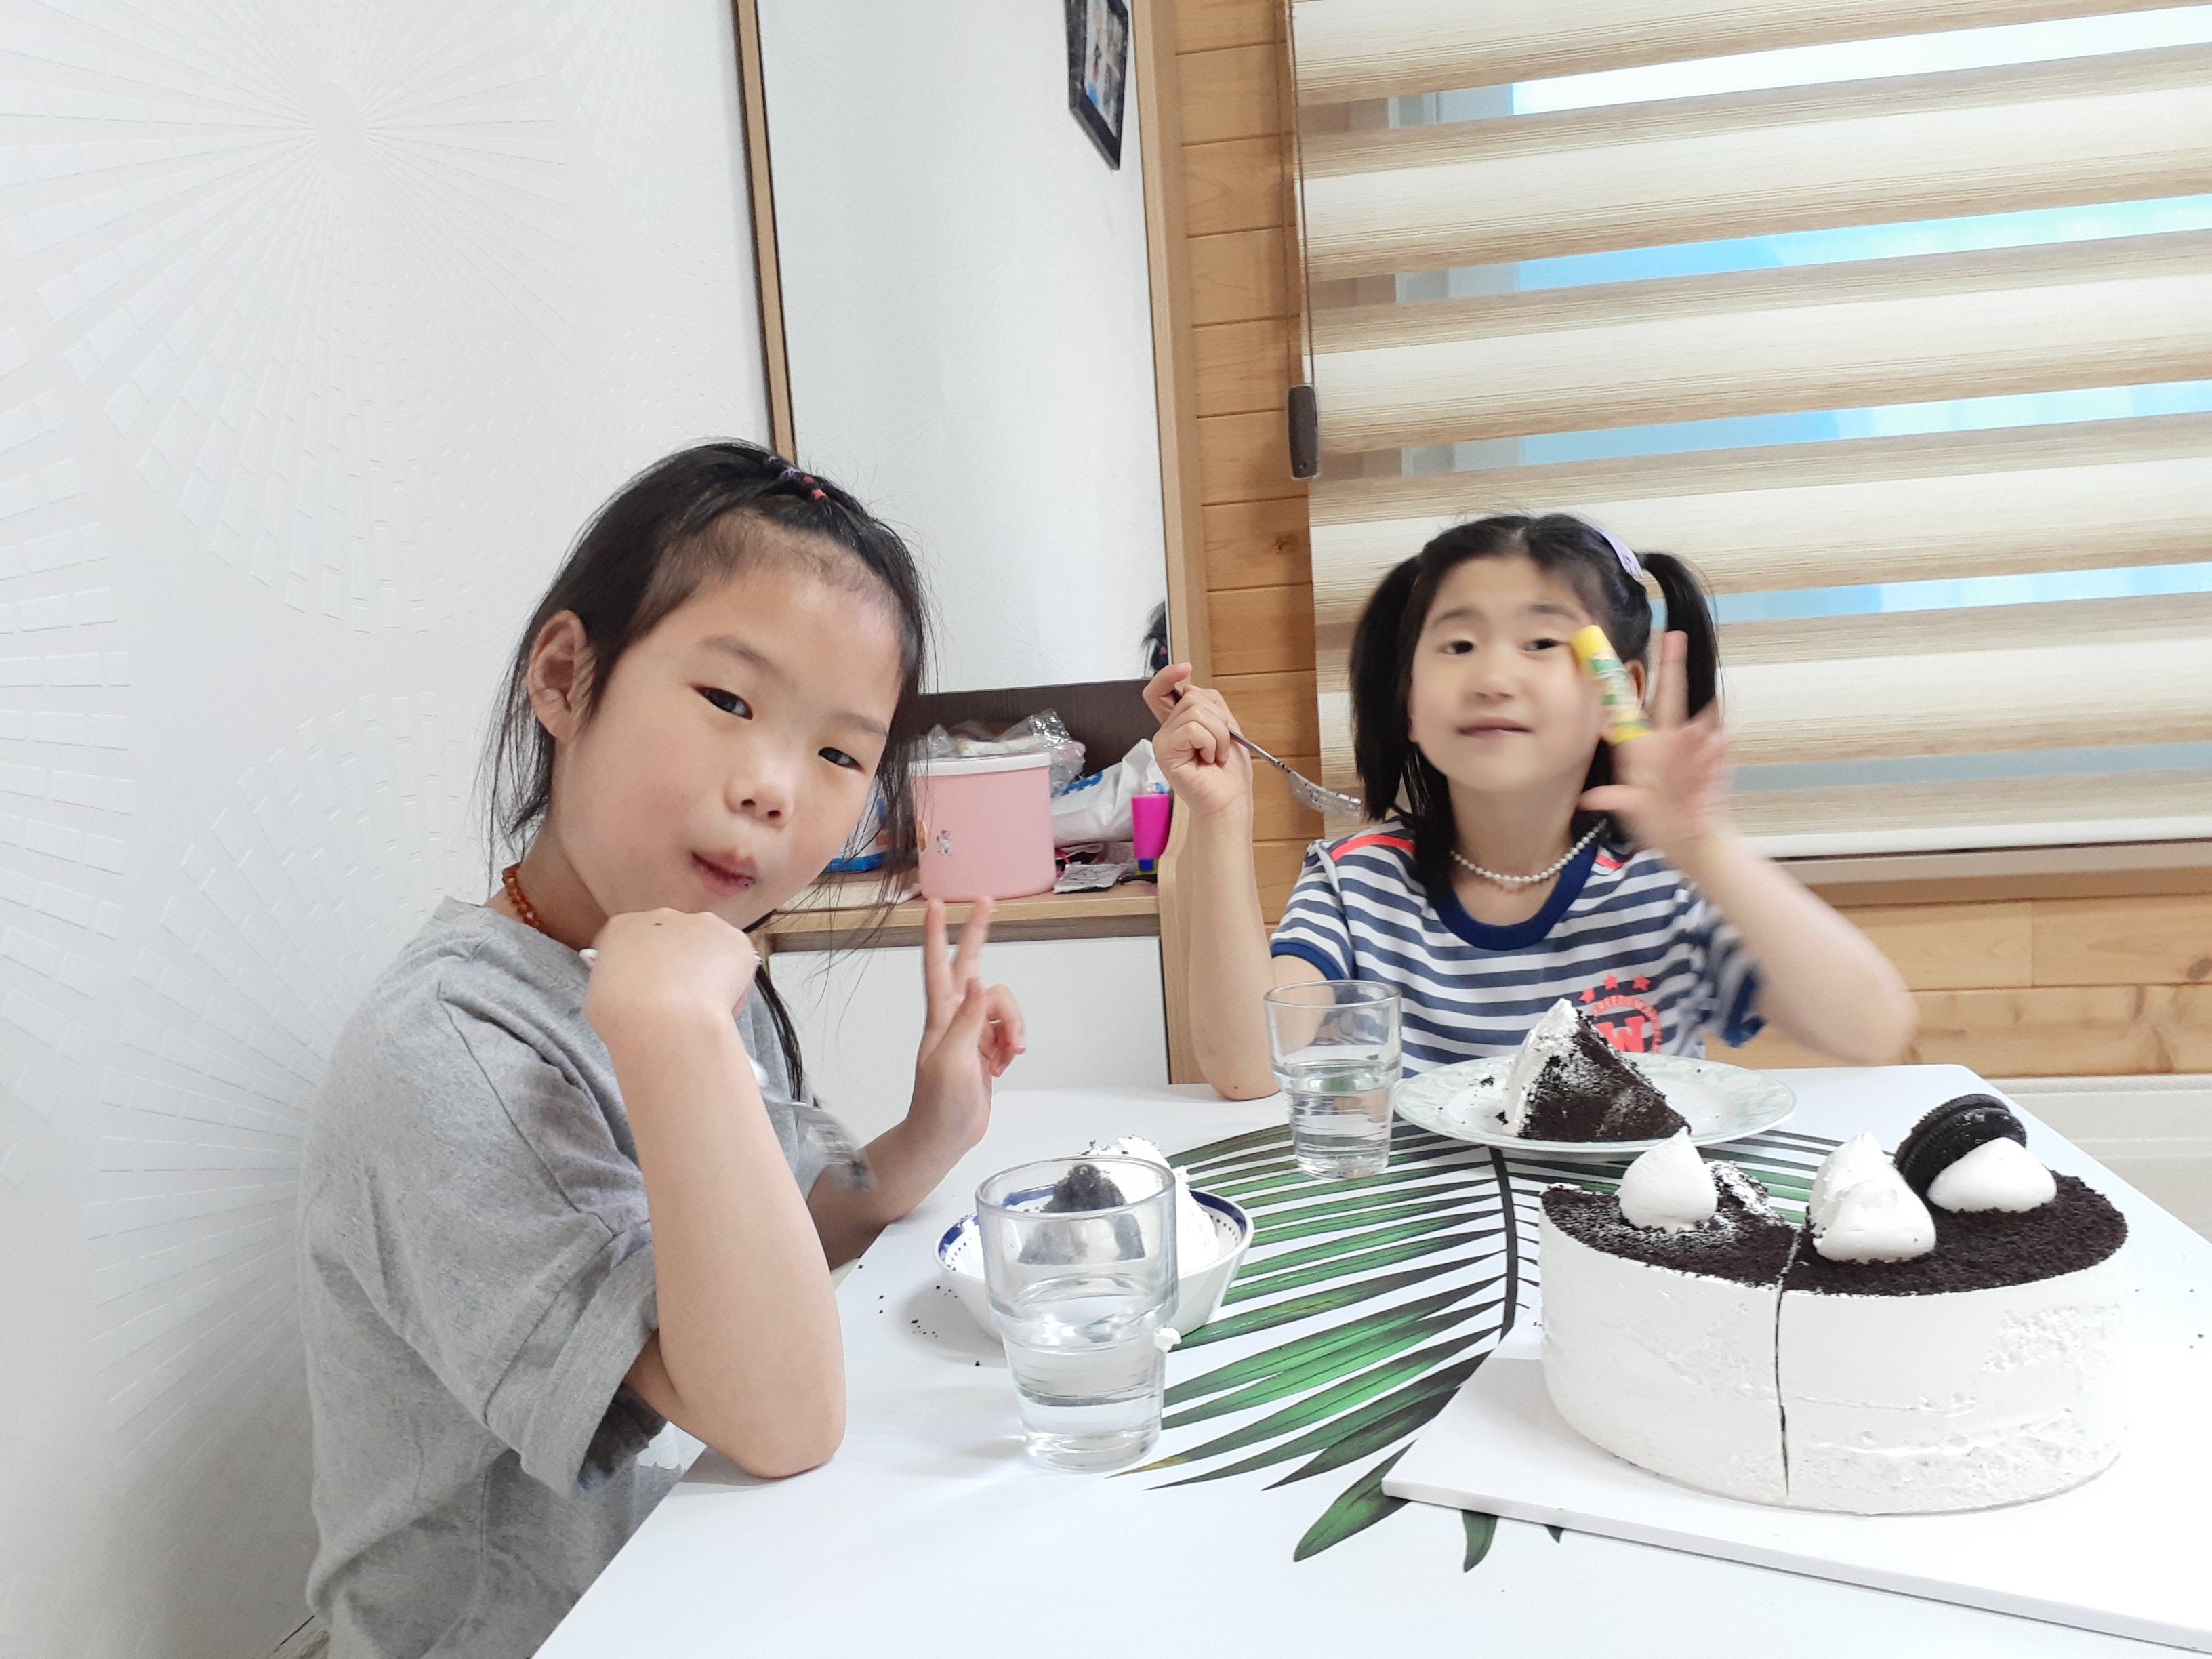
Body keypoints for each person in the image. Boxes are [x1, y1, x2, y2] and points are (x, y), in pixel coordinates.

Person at [298, 443, 1024, 1658]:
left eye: (840, 754)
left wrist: (923, 1137)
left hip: (704, 1578)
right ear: (565, 677)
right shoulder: (451, 1050)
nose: (775, 787)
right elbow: (778, 1417)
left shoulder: (683, 960)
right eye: (729, 701)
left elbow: (772, 1237)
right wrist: (676, 1036)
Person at [1148, 512, 1914, 1099]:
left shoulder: (1668, 886)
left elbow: (1872, 1030)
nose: (1493, 677)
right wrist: (1220, 817)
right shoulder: (1357, 882)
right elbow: (1248, 1070)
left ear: (1622, 694)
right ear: (1410, 702)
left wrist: (1703, 843)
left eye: (1543, 644)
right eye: (1458, 646)